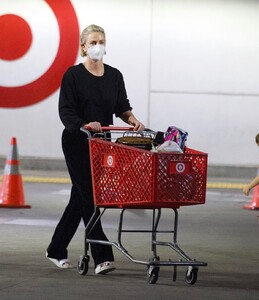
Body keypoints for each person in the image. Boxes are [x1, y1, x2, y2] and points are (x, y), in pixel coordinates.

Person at [46, 24, 145, 274]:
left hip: (103, 144)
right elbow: (65, 111)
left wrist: (131, 119)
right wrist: (83, 125)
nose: (97, 46)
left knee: (79, 198)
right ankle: (102, 255)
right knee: (90, 195)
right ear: (83, 47)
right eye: (92, 42)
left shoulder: (114, 76)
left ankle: (56, 249)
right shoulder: (73, 76)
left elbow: (122, 106)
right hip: (77, 141)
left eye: (101, 41)